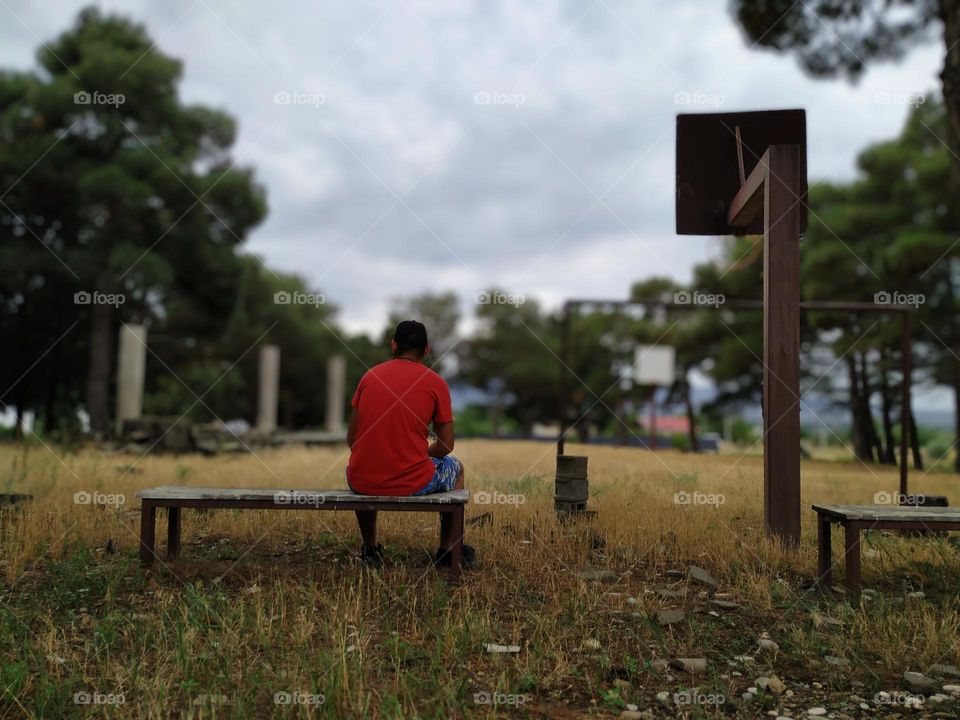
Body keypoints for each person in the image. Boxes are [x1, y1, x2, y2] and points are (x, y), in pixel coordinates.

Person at [346, 320, 474, 568]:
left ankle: (370, 549)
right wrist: (419, 455)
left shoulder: (369, 376)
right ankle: (447, 550)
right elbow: (446, 446)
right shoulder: (436, 383)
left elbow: (352, 438)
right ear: (426, 350)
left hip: (360, 479)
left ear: (393, 345)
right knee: (456, 467)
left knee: (362, 466)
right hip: (412, 481)